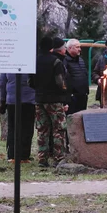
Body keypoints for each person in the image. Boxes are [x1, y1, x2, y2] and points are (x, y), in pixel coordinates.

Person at [32, 36, 70, 167]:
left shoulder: (34, 61)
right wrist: (65, 91)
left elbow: (29, 81)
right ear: (51, 48)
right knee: (58, 129)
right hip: (54, 100)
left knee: (42, 129)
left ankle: (42, 159)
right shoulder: (55, 62)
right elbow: (60, 82)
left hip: (39, 99)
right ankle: (59, 157)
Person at [0, 70, 35, 163]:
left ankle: (12, 155)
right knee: (27, 128)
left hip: (12, 100)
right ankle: (24, 156)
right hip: (29, 100)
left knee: (12, 128)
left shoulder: (9, 65)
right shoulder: (30, 63)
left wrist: (2, 100)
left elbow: (2, 83)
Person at [64, 38, 90, 115]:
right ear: (69, 48)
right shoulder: (64, 61)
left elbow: (84, 74)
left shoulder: (81, 60)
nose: (80, 49)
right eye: (77, 47)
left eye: (79, 47)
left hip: (83, 96)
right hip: (72, 97)